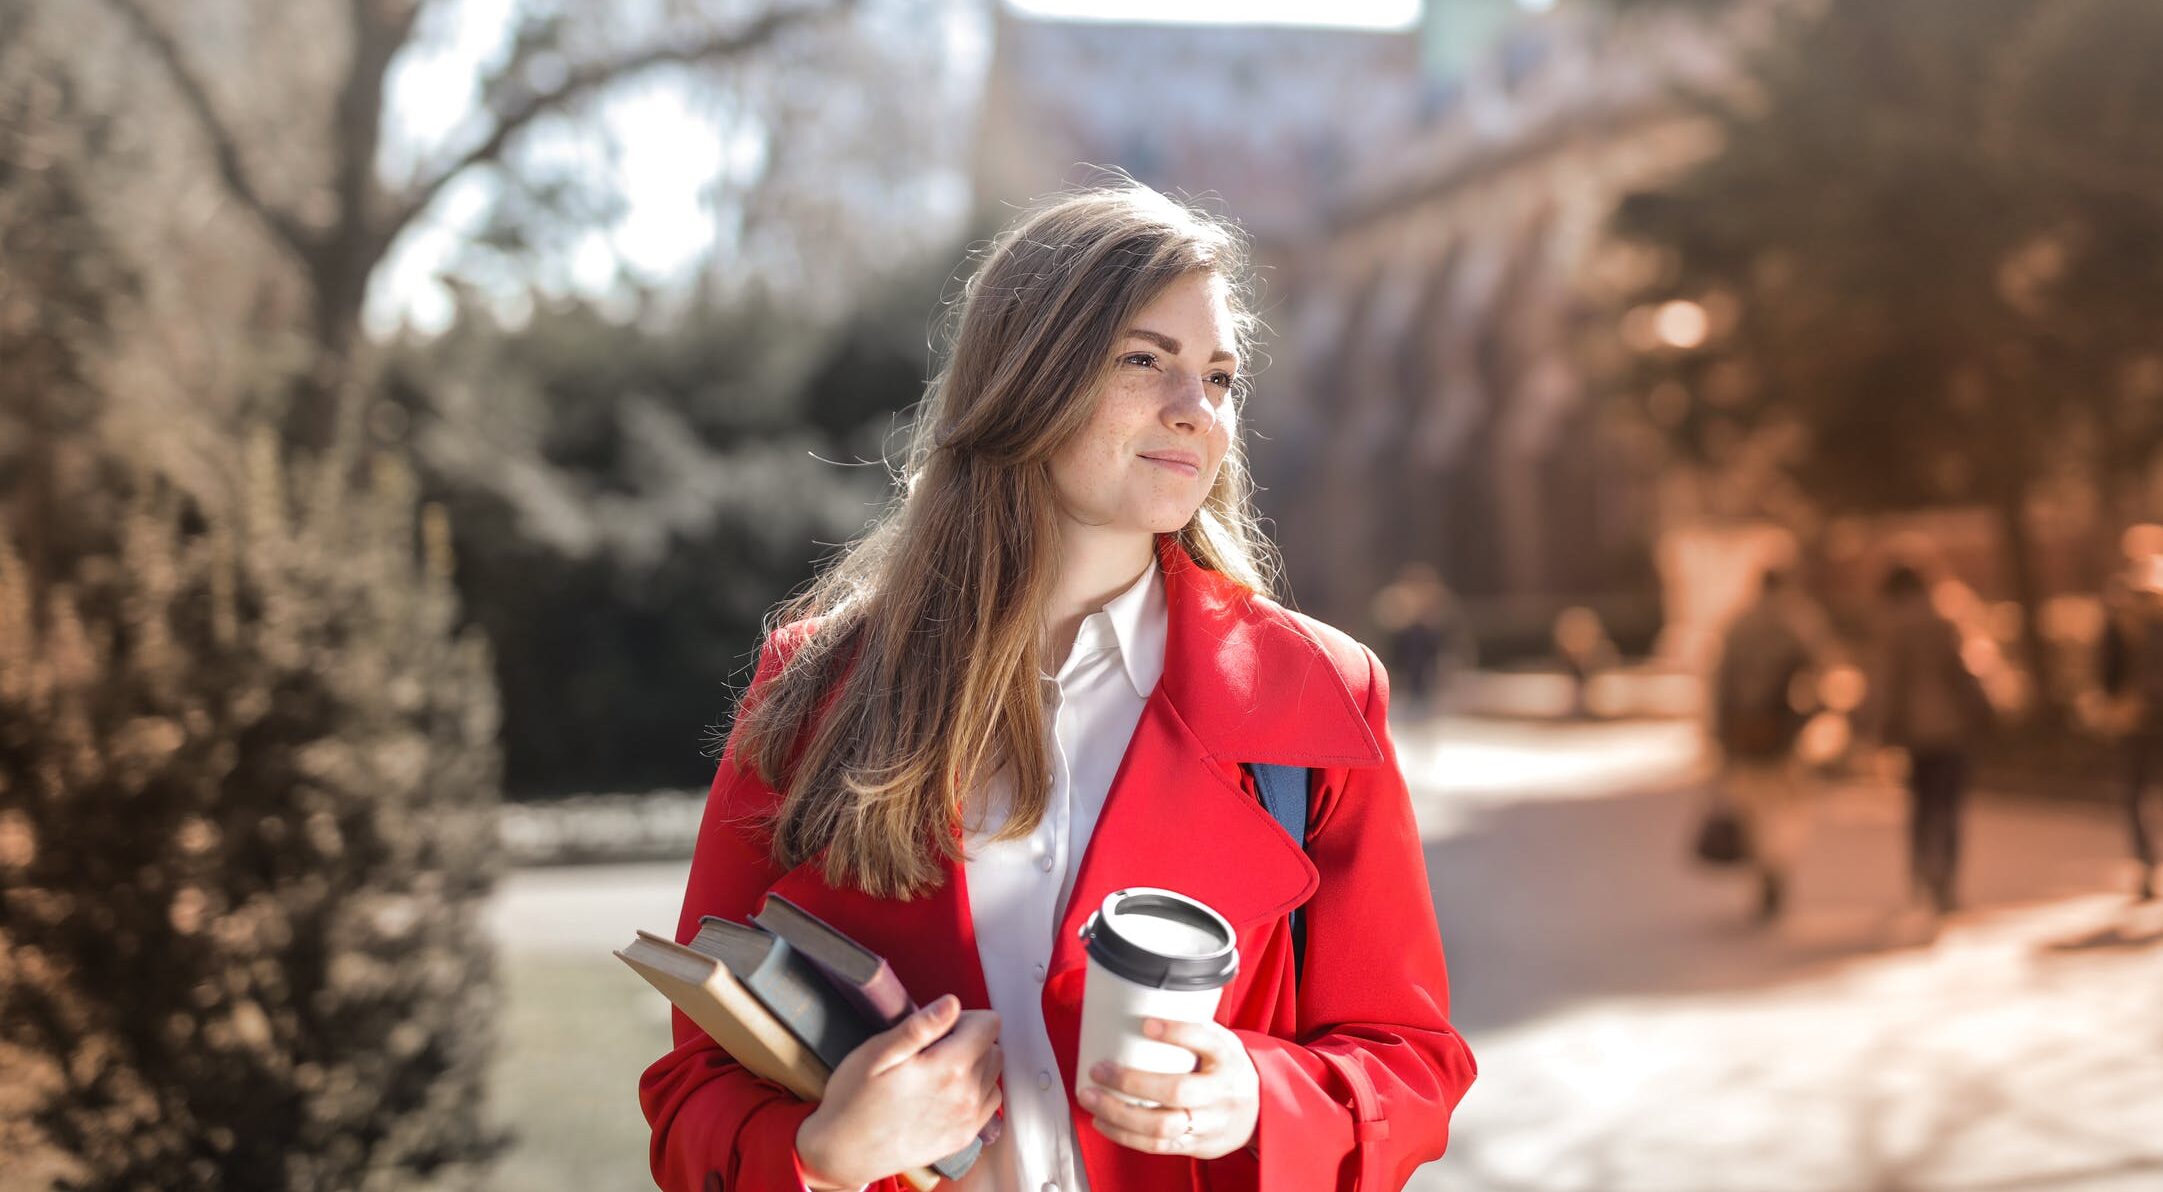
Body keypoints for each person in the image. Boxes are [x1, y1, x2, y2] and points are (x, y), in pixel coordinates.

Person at [638, 184, 1476, 1192]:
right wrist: (822, 1155)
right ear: (1025, 379)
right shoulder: (814, 690)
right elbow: (693, 1086)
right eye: (1144, 360)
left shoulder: (1319, 696)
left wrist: (1258, 1096)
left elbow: (1411, 1060)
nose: (1195, 410)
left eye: (1219, 376)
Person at [1861, 563, 1995, 918]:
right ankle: (1947, 879)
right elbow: (1966, 672)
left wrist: (1881, 730)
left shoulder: (1893, 627)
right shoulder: (1946, 617)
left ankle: (1922, 872)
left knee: (1921, 806)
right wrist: (1982, 713)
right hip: (1952, 728)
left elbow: (1887, 684)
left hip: (1915, 732)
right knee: (1949, 806)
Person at [1708, 567, 1830, 922]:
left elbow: (1720, 684)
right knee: (1786, 805)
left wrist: (1719, 736)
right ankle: (1777, 865)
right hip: (1784, 734)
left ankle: (1764, 868)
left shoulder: (1738, 626)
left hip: (1742, 733)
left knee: (1752, 807)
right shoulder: (1799, 625)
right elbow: (1819, 677)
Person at [2095, 554, 2163, 901]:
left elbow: (2106, 673)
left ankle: (2146, 863)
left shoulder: (2119, 618)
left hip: (2132, 717)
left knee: (2135, 795)